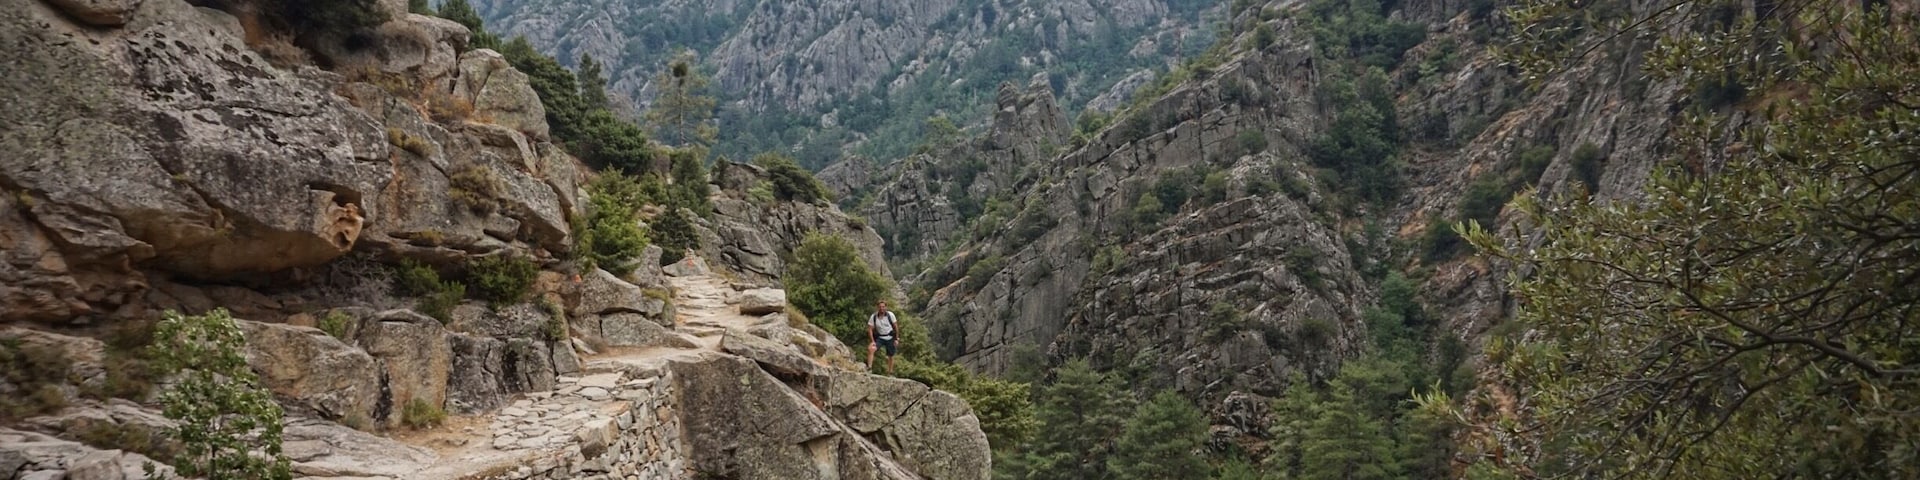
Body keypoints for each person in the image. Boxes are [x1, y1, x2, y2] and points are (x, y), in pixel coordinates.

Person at [867, 301, 899, 375]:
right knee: (871, 349)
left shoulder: (890, 315)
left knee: (891, 355)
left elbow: (896, 327)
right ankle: (869, 368)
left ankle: (890, 372)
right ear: (877, 308)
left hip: (890, 337)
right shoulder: (874, 316)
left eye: (883, 307)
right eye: (880, 307)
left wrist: (896, 339)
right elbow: (870, 329)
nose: (881, 308)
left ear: (886, 307)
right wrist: (872, 341)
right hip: (880, 337)